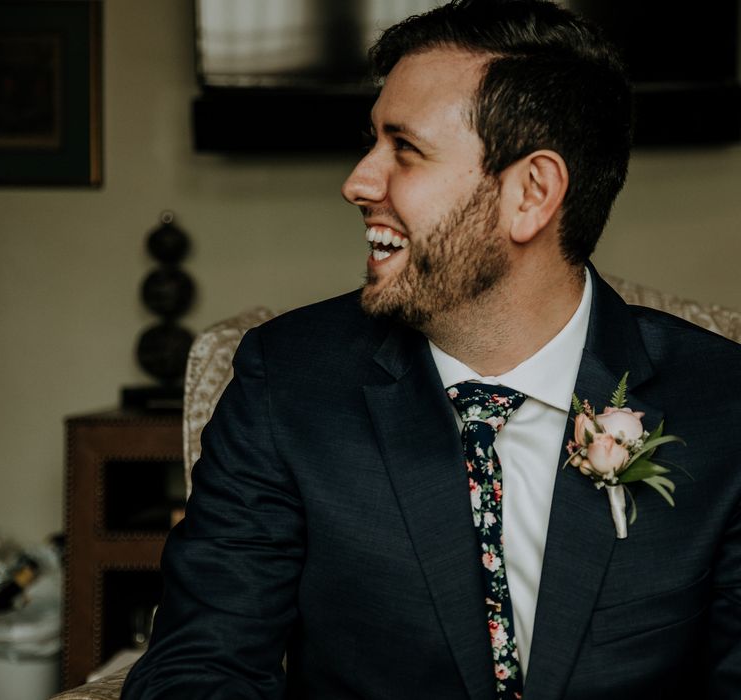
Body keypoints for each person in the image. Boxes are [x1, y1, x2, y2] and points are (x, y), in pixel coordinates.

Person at [122, 1, 741, 698]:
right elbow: (201, 666)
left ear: (531, 193)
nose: (358, 182)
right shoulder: (286, 384)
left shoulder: (724, 407)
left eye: (404, 149)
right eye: (371, 143)